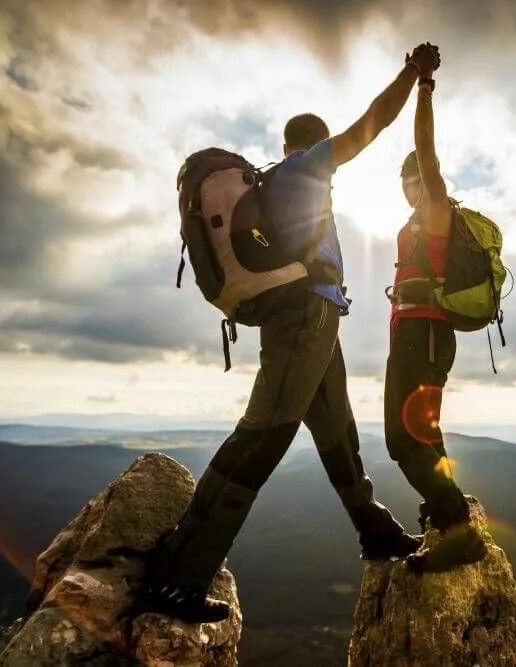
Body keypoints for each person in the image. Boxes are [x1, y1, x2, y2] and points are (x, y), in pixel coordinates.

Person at [143, 43, 443, 623]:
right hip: (305, 318)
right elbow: (372, 125)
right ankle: (179, 577)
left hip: (313, 320)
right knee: (264, 436)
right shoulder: (308, 167)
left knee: (338, 436)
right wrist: (414, 73)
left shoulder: (275, 179)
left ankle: (374, 531)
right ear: (309, 146)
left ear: (282, 145)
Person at [385, 49, 487, 573]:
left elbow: (425, 149)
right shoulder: (421, 221)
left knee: (401, 439)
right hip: (419, 333)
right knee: (425, 434)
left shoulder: (436, 208)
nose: (412, 186)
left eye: (415, 178)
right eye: (407, 181)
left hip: (422, 334)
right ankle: (447, 512)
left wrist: (423, 84)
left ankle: (457, 533)